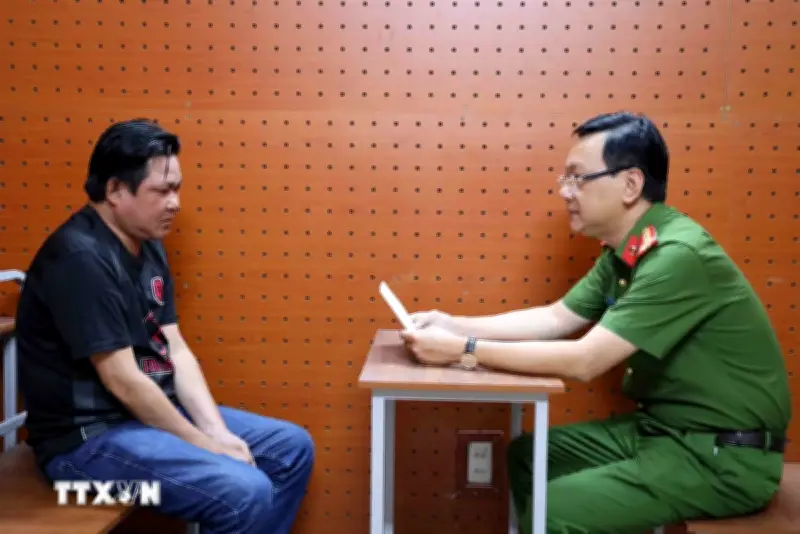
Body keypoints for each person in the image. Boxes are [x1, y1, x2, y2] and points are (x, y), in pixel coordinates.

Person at [401, 111, 791, 534]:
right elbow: (556, 317)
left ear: (631, 184)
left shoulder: (676, 257)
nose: (565, 191)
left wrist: (463, 352)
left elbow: (585, 361)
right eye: (565, 179)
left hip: (723, 457)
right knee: (527, 457)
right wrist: (453, 324)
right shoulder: (625, 252)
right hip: (662, 432)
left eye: (578, 178)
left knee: (554, 512)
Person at [15, 119, 315, 533]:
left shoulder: (148, 243)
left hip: (144, 418)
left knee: (291, 449)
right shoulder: (80, 259)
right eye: (162, 191)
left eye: (177, 189)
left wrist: (215, 432)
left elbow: (175, 349)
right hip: (84, 449)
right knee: (243, 491)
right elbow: (124, 381)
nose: (175, 203)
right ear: (115, 190)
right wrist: (205, 446)